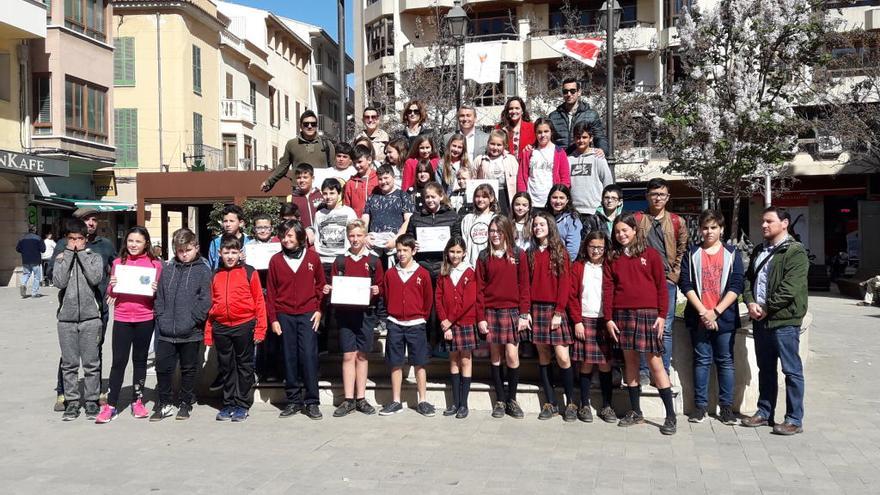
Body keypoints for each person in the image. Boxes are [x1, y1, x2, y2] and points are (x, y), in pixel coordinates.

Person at [603, 213, 677, 435]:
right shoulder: (612, 257)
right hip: (622, 315)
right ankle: (636, 411)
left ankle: (671, 416)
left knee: (655, 365)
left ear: (635, 230)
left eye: (625, 230)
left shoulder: (651, 254)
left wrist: (662, 315)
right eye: (617, 231)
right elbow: (608, 290)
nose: (621, 234)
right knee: (631, 363)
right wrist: (608, 318)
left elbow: (661, 288)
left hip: (648, 315)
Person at [740, 206, 808, 436]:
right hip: (761, 320)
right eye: (763, 221)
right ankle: (764, 412)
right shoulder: (760, 249)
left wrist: (767, 307)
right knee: (766, 369)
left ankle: (794, 419)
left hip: (784, 321)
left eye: (769, 221)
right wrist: (750, 302)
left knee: (791, 371)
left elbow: (790, 287)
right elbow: (748, 279)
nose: (764, 225)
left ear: (785, 223)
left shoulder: (795, 251)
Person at [679, 210, 743, 425]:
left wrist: (715, 312)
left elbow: (736, 286)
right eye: (705, 227)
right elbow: (686, 284)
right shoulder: (692, 253)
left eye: (713, 227)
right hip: (699, 317)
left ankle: (726, 408)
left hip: (723, 318)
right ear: (700, 230)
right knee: (702, 360)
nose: (709, 231)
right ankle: (700, 407)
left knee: (725, 362)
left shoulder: (732, 254)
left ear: (721, 229)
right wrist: (703, 312)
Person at [96, 227, 164, 423]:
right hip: (123, 319)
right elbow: (112, 293)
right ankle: (111, 404)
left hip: (145, 318)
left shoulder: (154, 265)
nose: (134, 245)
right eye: (130, 241)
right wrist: (112, 285)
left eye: (138, 241)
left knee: (140, 361)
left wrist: (156, 289)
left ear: (146, 244)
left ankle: (138, 400)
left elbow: (159, 294)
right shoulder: (119, 263)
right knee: (118, 362)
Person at [51, 207, 115, 412]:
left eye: (94, 219)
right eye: (87, 219)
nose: (91, 223)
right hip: (67, 316)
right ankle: (67, 397)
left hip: (94, 312)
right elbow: (58, 279)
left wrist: (114, 286)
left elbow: (102, 274)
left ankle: (93, 397)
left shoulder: (101, 248)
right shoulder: (62, 249)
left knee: (93, 358)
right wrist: (69, 253)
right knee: (68, 361)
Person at [151, 228, 212, 421]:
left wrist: (194, 319)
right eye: (180, 250)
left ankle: (186, 402)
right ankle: (165, 402)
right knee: (162, 367)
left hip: (190, 331)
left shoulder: (203, 270)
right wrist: (161, 316)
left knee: (188, 368)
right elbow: (159, 296)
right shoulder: (168, 270)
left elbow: (206, 299)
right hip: (167, 330)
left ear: (196, 248)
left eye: (188, 249)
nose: (184, 254)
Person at [205, 235, 267, 422]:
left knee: (244, 366)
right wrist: (208, 332)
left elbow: (259, 301)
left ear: (241, 253)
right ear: (219, 253)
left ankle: (242, 404)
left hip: (244, 325)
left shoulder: (250, 272)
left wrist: (260, 329)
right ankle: (228, 403)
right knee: (226, 367)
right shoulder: (215, 274)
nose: (230, 256)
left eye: (234, 252)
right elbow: (210, 304)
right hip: (221, 327)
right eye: (226, 252)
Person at [269, 220, 326, 420]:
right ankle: (293, 400)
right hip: (284, 315)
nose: (286, 240)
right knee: (289, 356)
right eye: (283, 236)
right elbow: (272, 292)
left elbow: (321, 285)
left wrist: (319, 310)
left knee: (309, 357)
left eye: (290, 236)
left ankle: (312, 401)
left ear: (300, 237)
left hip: (308, 314)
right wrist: (273, 318)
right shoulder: (275, 261)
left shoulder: (313, 258)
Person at [634, 177, 688, 382]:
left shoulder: (676, 221)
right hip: (642, 280)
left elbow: (683, 250)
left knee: (665, 328)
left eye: (662, 194)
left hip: (666, 281)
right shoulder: (638, 219)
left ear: (668, 197)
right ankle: (643, 370)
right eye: (654, 194)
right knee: (642, 326)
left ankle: (662, 369)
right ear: (647, 196)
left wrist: (674, 275)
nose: (658, 198)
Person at [327, 221, 383, 417]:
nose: (355, 239)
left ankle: (361, 398)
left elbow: (381, 286)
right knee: (348, 355)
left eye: (359, 235)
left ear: (365, 236)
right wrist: (330, 289)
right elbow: (334, 284)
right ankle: (348, 399)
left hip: (365, 314)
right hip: (345, 314)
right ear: (347, 237)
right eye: (352, 236)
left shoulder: (374, 261)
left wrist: (377, 290)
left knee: (362, 355)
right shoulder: (340, 260)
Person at [476, 216, 530, 419]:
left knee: (512, 355)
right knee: (495, 356)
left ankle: (512, 400)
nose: (495, 234)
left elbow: (524, 286)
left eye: (499, 231)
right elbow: (479, 290)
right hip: (491, 311)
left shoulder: (518, 254)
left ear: (507, 231)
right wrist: (480, 317)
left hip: (512, 311)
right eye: (492, 231)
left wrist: (524, 314)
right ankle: (500, 399)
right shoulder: (483, 256)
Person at [379, 234, 435, 416]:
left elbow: (428, 300)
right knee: (395, 363)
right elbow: (386, 296)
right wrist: (391, 315)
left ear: (413, 251)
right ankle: (396, 400)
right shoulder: (390, 274)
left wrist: (421, 316)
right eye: (399, 250)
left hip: (416, 323)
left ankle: (423, 400)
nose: (401, 254)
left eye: (405, 250)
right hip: (395, 323)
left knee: (419, 363)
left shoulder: (423, 274)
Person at [527, 211, 576, 421]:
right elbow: (526, 286)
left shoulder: (560, 252)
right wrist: (526, 312)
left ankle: (571, 402)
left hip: (555, 310)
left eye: (542, 224)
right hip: (536, 309)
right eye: (535, 225)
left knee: (563, 357)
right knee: (544, 357)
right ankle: (551, 402)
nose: (538, 228)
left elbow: (565, 284)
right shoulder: (530, 253)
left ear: (550, 227)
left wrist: (559, 311)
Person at [568, 230, 616, 423]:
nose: (596, 251)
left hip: (604, 320)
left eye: (600, 247)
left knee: (605, 364)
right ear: (585, 247)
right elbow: (572, 295)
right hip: (585, 319)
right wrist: (577, 320)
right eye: (592, 247)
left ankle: (606, 405)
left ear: (605, 248)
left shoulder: (609, 266)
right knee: (586, 363)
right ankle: (584, 404)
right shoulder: (578, 266)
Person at [436, 236, 478, 419]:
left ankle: (464, 403)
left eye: (458, 252)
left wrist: (450, 320)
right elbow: (438, 299)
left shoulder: (469, 272)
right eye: (452, 251)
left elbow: (468, 301)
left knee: (466, 360)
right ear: (447, 253)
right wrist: (444, 321)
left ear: (464, 253)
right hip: (448, 325)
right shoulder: (443, 273)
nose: (455, 255)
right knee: (453, 360)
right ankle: (454, 402)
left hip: (464, 322)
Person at [261, 110, 335, 192]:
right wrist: (269, 182)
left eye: (313, 124)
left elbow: (334, 168)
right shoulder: (292, 144)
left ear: (317, 126)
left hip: (321, 190)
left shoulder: (327, 144)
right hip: (299, 190)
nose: (310, 126)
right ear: (300, 126)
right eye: (306, 124)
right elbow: (283, 166)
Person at [363, 164, 415, 269]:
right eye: (380, 179)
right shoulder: (372, 197)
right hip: (374, 246)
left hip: (395, 247)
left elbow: (408, 220)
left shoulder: (403, 196)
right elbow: (365, 218)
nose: (383, 181)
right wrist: (365, 236)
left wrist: (396, 240)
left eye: (386, 178)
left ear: (393, 177)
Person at [517, 118, 571, 206]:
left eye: (546, 131)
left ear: (551, 132)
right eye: (539, 132)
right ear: (535, 133)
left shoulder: (559, 152)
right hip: (532, 201)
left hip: (551, 203)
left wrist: (558, 198)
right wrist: (523, 198)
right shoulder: (528, 152)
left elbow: (565, 179)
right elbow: (522, 177)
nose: (543, 135)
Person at [567, 121, 613, 224]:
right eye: (578, 137)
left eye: (584, 137)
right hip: (574, 212)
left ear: (591, 138)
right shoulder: (569, 159)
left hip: (594, 211)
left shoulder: (598, 157)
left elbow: (608, 183)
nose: (581, 140)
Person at [548, 77, 609, 153]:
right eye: (565, 91)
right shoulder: (553, 116)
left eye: (572, 91)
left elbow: (599, 137)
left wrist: (602, 149)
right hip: (560, 159)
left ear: (579, 92)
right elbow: (547, 139)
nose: (569, 94)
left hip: (581, 159)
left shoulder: (591, 115)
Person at [313, 178, 359, 267]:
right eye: (325, 193)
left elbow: (355, 234)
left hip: (342, 258)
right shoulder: (319, 214)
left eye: (332, 193)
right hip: (323, 260)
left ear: (339, 194)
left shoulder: (349, 212)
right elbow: (316, 236)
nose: (328, 197)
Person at [475, 130, 518, 215]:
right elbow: (473, 178)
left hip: (505, 195)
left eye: (499, 145)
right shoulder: (480, 160)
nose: (495, 147)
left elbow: (517, 178)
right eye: (492, 144)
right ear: (487, 144)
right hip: (487, 195)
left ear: (504, 146)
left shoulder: (510, 159)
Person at [459, 184, 498, 266]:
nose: (480, 199)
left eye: (484, 197)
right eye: (477, 196)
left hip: (491, 262)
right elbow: (464, 241)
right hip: (472, 264)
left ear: (491, 198)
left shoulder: (495, 218)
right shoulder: (468, 219)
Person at [545, 184, 583, 260]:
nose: (558, 201)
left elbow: (572, 249)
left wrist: (563, 264)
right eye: (554, 197)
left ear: (567, 200)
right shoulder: (544, 217)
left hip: (562, 262)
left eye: (561, 198)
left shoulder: (573, 220)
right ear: (549, 199)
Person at [208, 204, 249, 270]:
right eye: (225, 221)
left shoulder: (249, 242)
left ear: (241, 223)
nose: (228, 224)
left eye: (231, 221)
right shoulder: (216, 242)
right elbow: (211, 266)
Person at [343, 145, 380, 218]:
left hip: (376, 222)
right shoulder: (351, 183)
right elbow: (347, 206)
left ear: (369, 160)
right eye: (354, 163)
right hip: (358, 223)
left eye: (360, 162)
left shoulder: (378, 178)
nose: (357, 165)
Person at [16, 225, 45, 298]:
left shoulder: (22, 238)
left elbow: (17, 249)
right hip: (35, 259)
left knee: (26, 274)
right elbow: (43, 249)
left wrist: (25, 251)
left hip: (25, 259)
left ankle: (23, 284)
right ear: (35, 230)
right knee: (37, 277)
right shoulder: (38, 238)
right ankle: (34, 293)